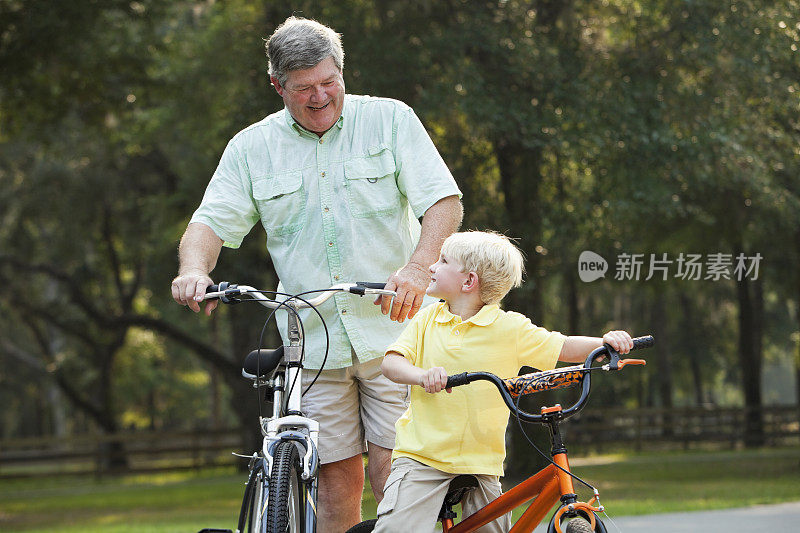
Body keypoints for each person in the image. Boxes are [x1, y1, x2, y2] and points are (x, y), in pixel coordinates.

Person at [170, 16, 463, 533]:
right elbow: (209, 223)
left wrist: (419, 268)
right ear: (276, 85)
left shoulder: (391, 120)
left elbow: (443, 201)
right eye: (303, 88)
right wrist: (194, 270)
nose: (320, 97)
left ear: (342, 71)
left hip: (395, 333)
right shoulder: (251, 148)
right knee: (333, 481)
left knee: (393, 472)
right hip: (313, 339)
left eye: (330, 82)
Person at [375, 231, 634, 532]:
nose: (432, 266)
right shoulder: (427, 319)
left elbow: (562, 346)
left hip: (482, 462)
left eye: (443, 261)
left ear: (468, 281)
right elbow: (391, 363)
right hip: (423, 456)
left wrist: (604, 343)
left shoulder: (509, 328)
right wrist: (421, 376)